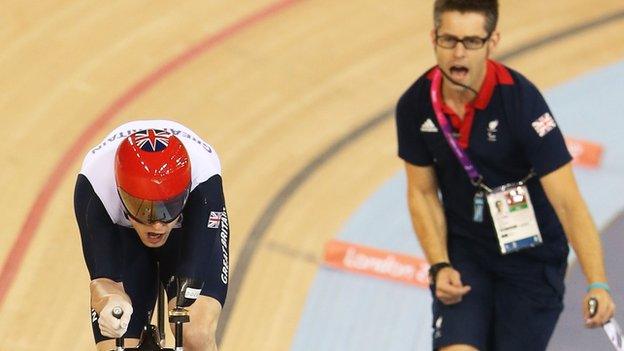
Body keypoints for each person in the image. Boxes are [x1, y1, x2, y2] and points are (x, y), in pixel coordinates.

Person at [394, 0, 615, 350]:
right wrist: (439, 264)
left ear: (492, 41)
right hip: (467, 253)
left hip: (531, 262)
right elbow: (421, 193)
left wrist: (597, 282)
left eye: (472, 41)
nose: (459, 53)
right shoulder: (415, 105)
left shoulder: (522, 104)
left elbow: (568, 203)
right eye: (449, 40)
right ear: (433, 38)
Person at [74, 120, 229, 351]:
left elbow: (194, 271)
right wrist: (110, 302)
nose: (157, 225)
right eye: (142, 210)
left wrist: (186, 298)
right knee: (115, 344)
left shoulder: (204, 182)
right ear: (120, 193)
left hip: (186, 232)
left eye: (170, 208)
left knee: (195, 333)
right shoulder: (95, 190)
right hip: (123, 235)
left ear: (186, 193)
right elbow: (103, 279)